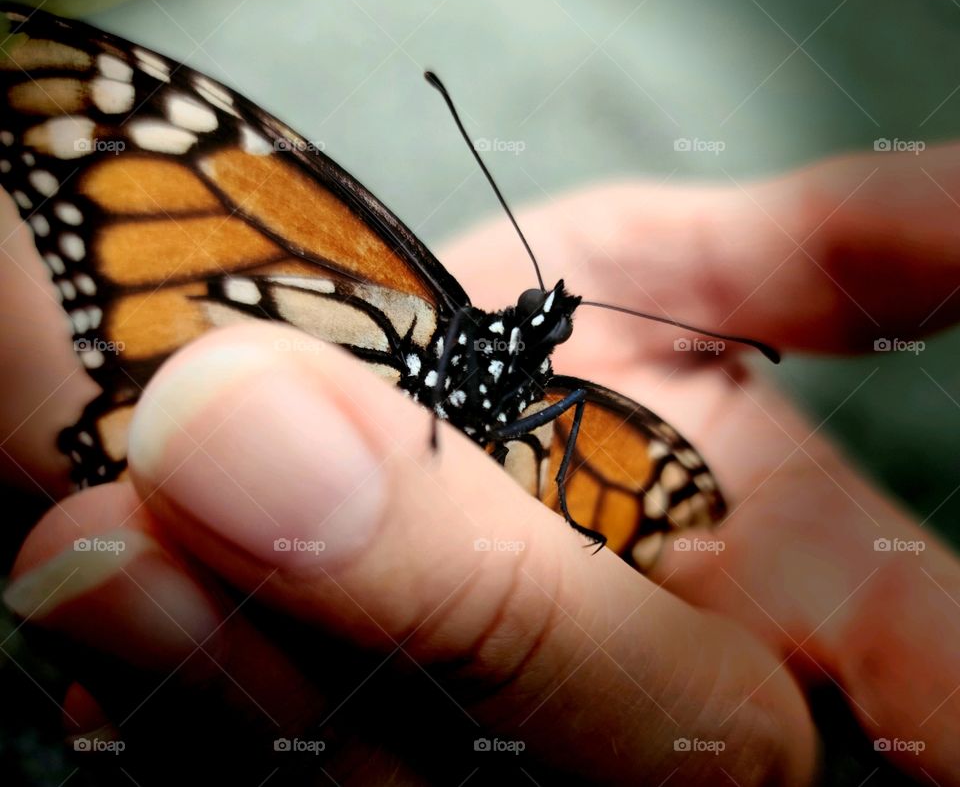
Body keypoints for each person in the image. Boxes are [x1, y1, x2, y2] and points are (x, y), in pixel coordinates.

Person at [3, 143, 959, 785]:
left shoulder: (569, 406)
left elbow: (589, 465)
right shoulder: (397, 303)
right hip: (141, 431)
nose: (543, 336)